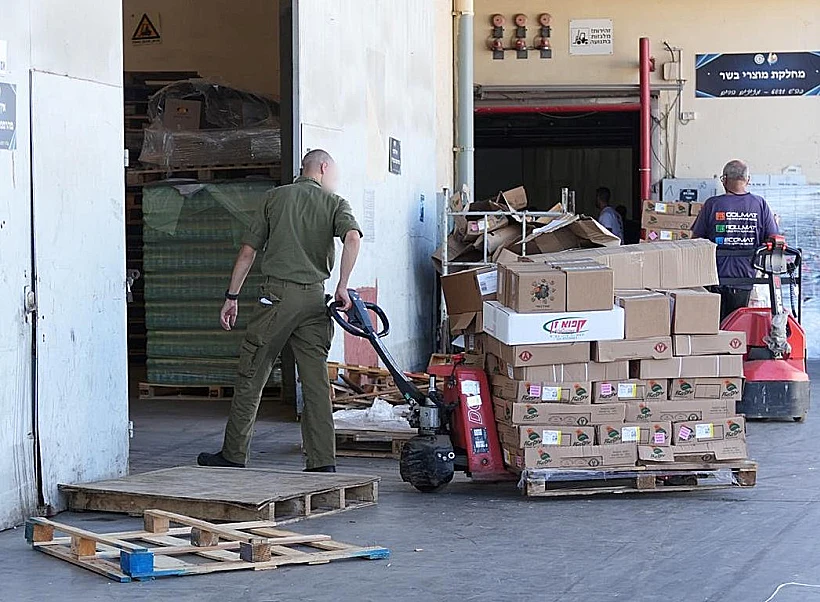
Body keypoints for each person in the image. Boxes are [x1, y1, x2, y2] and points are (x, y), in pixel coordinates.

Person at [198, 149, 362, 473]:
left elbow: (248, 252)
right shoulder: (335, 203)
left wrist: (232, 296)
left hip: (277, 297)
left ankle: (234, 453)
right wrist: (343, 285)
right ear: (324, 168)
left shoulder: (275, 198)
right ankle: (322, 462)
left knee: (253, 372)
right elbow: (353, 238)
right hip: (316, 300)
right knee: (315, 382)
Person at [692, 159, 778, 320]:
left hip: (715, 277)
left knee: (714, 326)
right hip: (746, 278)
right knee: (738, 325)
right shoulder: (760, 204)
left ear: (724, 179)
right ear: (748, 180)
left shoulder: (712, 204)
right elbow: (773, 238)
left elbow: (696, 241)